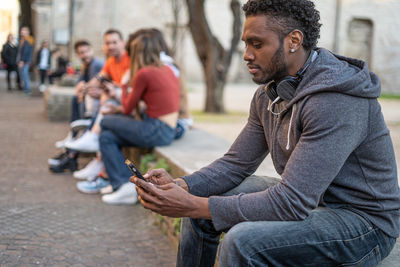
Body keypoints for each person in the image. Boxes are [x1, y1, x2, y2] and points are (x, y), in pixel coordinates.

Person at [132, 0, 400, 266]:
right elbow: (236, 163)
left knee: (242, 241)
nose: (246, 54)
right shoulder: (269, 94)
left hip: (364, 223)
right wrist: (182, 187)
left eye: (257, 44)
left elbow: (292, 202)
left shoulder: (335, 101)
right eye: (246, 44)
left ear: (293, 40)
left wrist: (192, 205)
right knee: (201, 208)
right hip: (314, 201)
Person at [80, 31, 180, 204]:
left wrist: (125, 82)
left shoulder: (144, 73)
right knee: (107, 137)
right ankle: (124, 187)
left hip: (155, 129)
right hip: (167, 130)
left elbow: (127, 109)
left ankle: (102, 165)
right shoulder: (167, 69)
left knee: (105, 122)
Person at [49, 40, 104, 174]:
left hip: (98, 106)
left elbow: (97, 85)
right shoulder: (86, 65)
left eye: (86, 51)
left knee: (80, 110)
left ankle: (71, 154)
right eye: (81, 53)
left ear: (91, 49)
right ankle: (71, 145)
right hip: (91, 105)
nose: (84, 55)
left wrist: (83, 90)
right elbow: (80, 83)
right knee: (76, 100)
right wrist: (81, 89)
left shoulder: (96, 64)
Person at [18, 26, 34, 96]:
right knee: (24, 75)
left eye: (23, 31)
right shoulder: (24, 40)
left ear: (27, 32)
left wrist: (22, 61)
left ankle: (28, 90)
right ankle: (26, 89)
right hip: (25, 60)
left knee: (25, 75)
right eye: (21, 31)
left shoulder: (28, 40)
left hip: (26, 61)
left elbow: (26, 51)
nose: (22, 32)